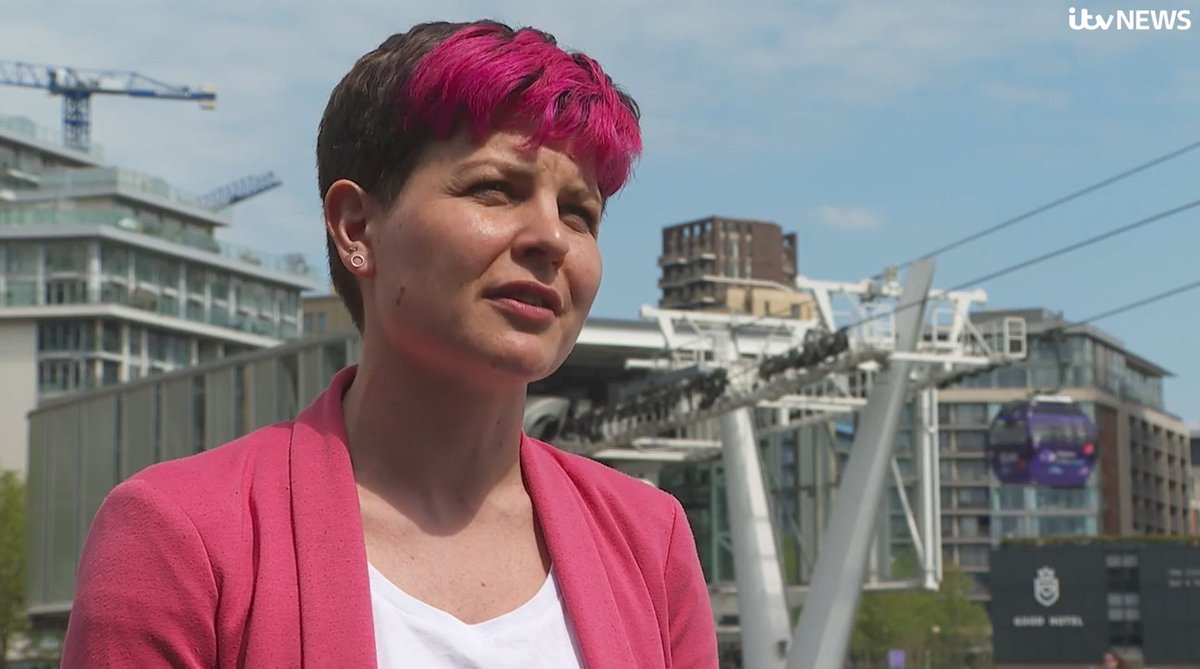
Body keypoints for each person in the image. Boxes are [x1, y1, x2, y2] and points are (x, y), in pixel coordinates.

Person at [60, 19, 718, 668]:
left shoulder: (647, 541)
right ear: (356, 227)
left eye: (581, 212)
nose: (551, 237)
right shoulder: (182, 536)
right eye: (495, 189)